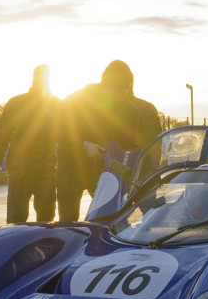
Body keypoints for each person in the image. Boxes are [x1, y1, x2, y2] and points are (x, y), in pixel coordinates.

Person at [60, 60, 153, 220]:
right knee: (68, 217)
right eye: (117, 88)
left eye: (126, 87)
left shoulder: (129, 110)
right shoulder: (76, 100)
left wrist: (129, 168)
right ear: (105, 84)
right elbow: (59, 130)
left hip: (101, 166)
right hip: (71, 164)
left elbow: (128, 145)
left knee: (106, 214)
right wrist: (86, 144)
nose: (121, 93)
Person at [0, 65, 59, 224]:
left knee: (46, 221)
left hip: (46, 171)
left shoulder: (56, 105)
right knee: (17, 220)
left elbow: (67, 135)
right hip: (21, 172)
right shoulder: (16, 103)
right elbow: (2, 135)